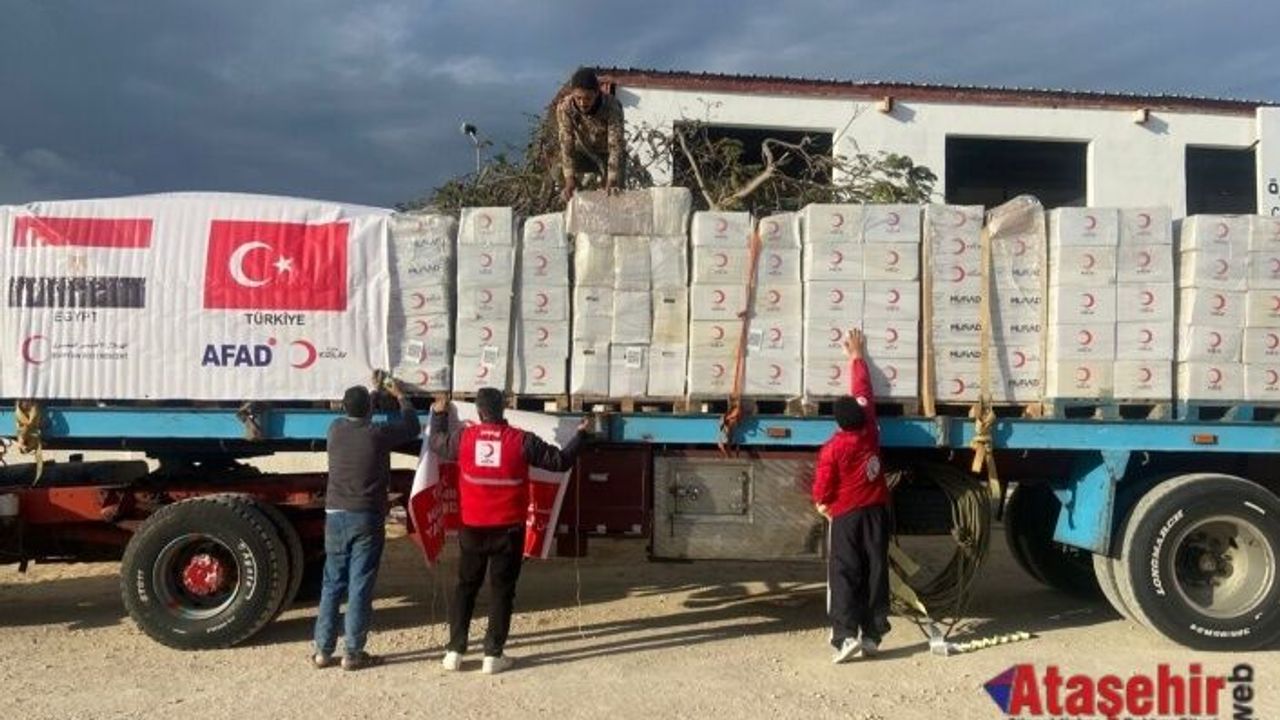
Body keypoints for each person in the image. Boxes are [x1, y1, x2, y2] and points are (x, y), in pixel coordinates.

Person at [429, 387, 590, 674]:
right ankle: (493, 654)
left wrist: (439, 416)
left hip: (472, 529)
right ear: (504, 410)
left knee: (465, 587)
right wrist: (580, 435)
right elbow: (559, 462)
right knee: (502, 591)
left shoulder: (464, 438)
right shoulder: (521, 440)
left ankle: (454, 651)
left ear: (478, 412)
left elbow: (438, 444)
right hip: (508, 531)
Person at [313, 379, 421, 671]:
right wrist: (400, 396)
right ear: (371, 410)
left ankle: (323, 651)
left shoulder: (334, 429)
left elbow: (357, 411)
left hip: (335, 514)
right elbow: (413, 427)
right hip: (366, 515)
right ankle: (353, 652)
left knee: (332, 583)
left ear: (344, 408)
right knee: (359, 584)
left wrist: (372, 395)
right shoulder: (377, 434)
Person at [812, 328, 892, 663]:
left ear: (839, 424)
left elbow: (823, 485)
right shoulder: (870, 429)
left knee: (844, 572)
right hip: (876, 511)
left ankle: (844, 636)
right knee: (876, 570)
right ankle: (873, 634)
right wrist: (857, 357)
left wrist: (821, 504)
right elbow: (864, 391)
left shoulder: (833, 448)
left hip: (846, 515)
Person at [556, 67, 625, 203]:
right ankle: (577, 201)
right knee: (559, 170)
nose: (582, 103)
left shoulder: (612, 107)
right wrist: (569, 179)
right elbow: (566, 144)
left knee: (614, 193)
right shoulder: (565, 107)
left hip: (607, 154)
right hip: (583, 151)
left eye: (587, 98)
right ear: (572, 94)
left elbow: (615, 145)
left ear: (597, 93)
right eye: (578, 98)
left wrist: (612, 178)